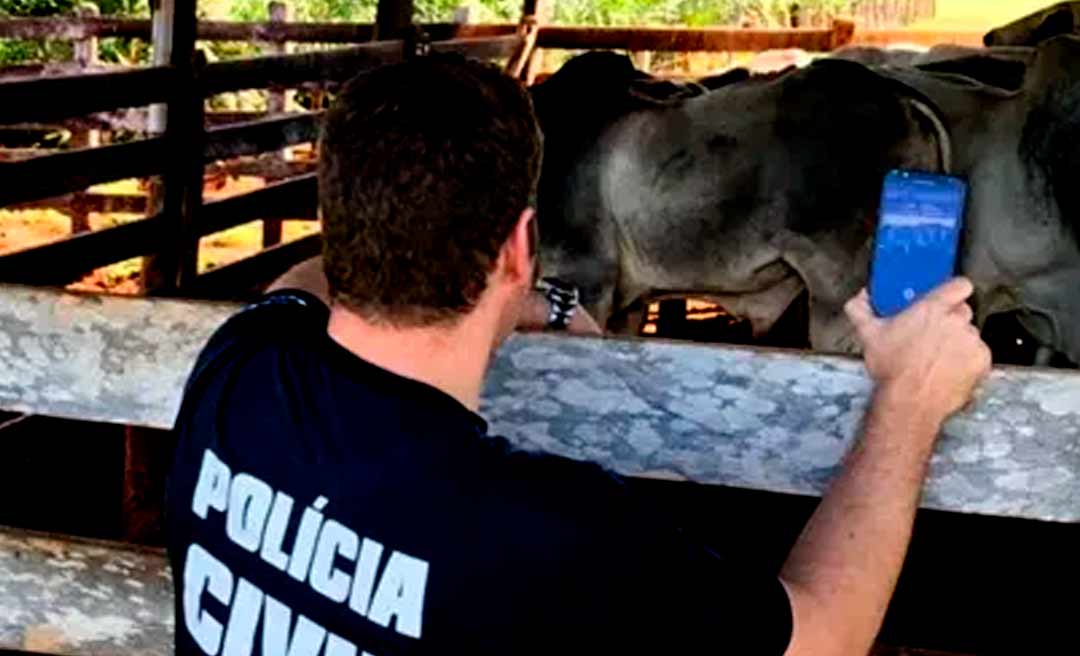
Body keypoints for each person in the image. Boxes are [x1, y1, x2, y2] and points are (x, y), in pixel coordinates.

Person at [166, 54, 992, 656]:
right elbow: (826, 636)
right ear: (523, 248)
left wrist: (537, 297)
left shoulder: (240, 374)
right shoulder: (553, 534)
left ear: (340, 217)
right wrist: (907, 403)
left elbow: (302, 279)